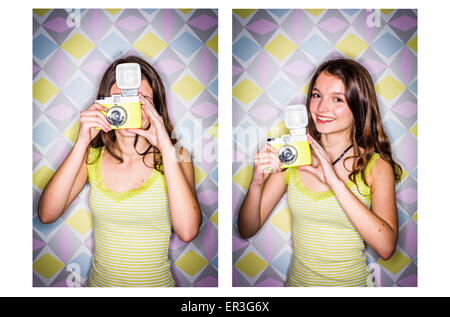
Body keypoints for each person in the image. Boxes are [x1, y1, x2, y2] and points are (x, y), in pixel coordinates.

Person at [38, 55, 201, 287]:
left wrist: (166, 147)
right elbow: (46, 214)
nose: (130, 108)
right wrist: (82, 142)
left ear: (156, 107)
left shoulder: (176, 157)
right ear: (104, 104)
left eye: (141, 99)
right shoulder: (91, 159)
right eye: (119, 99)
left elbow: (187, 231)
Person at [238, 58, 402, 287]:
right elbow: (247, 229)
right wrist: (256, 184)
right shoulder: (294, 157)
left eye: (337, 99)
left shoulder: (375, 167)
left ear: (359, 105)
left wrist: (334, 182)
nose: (322, 108)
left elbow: (386, 248)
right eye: (317, 96)